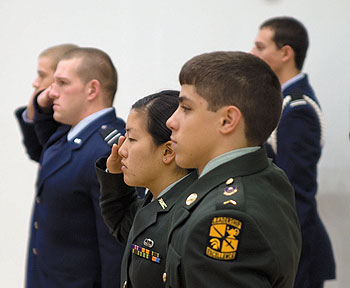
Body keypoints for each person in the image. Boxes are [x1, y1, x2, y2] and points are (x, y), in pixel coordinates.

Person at [164, 51, 302, 287]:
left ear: (228, 120)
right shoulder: (264, 174)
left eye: (186, 108)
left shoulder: (224, 216)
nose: (171, 121)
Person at [18, 47, 126, 288]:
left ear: (92, 89)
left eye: (62, 83)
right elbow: (41, 141)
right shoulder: (65, 136)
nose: (51, 92)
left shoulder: (109, 151)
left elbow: (114, 247)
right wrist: (40, 105)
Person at [251, 16, 336, 288]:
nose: (253, 53)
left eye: (261, 47)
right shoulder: (282, 102)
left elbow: (295, 195)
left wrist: (290, 267)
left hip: (297, 253)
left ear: (286, 53)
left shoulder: (298, 111)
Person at [95, 90, 197, 288]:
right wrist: (114, 176)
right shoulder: (157, 198)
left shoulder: (188, 215)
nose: (121, 150)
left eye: (132, 139)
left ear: (168, 151)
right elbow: (122, 223)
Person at [15, 43, 78, 161]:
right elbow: (37, 153)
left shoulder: (70, 118)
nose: (35, 82)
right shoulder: (50, 114)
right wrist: (35, 108)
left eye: (42, 75)